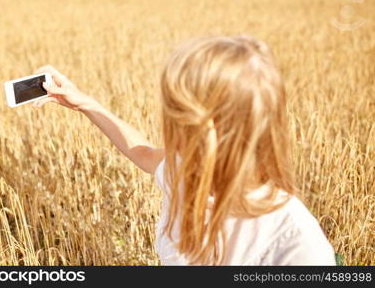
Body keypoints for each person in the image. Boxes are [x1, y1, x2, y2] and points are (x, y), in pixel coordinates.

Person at [33, 35, 336, 265]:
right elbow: (145, 154)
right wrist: (85, 103)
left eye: (176, 111)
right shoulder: (187, 171)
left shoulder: (297, 245)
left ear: (205, 128)